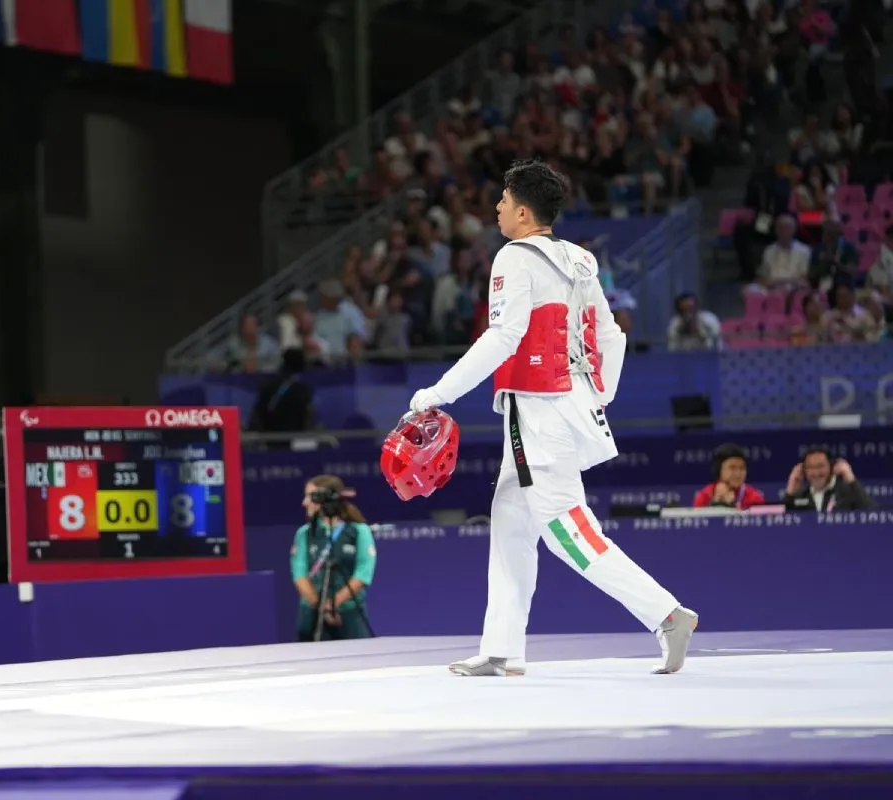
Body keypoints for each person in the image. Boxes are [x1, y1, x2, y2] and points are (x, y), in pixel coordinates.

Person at [407, 160, 698, 677]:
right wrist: (595, 395)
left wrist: (438, 393)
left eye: (502, 200)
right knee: (512, 521)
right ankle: (502, 649)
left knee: (565, 528)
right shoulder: (581, 259)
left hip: (538, 411)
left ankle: (665, 614)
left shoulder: (514, 258)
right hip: (567, 404)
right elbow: (611, 337)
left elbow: (503, 336)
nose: (495, 207)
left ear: (522, 210)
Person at [290, 474, 376, 642]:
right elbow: (299, 573)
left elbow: (363, 573)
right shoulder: (304, 534)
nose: (304, 502)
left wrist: (333, 604)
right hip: (312, 613)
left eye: (310, 496)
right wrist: (322, 607)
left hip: (350, 613)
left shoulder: (359, 530)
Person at [783, 448, 877, 512]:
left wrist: (851, 479)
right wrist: (790, 490)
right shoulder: (799, 496)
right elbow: (780, 524)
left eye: (821, 466)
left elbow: (873, 514)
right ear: (804, 471)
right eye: (810, 467)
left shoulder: (847, 492)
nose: (816, 473)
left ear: (831, 467)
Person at [692, 443, 767, 509]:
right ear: (719, 469)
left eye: (742, 468)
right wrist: (716, 505)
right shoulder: (704, 496)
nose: (738, 474)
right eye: (732, 468)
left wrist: (731, 505)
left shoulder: (755, 497)